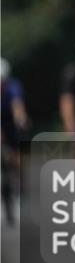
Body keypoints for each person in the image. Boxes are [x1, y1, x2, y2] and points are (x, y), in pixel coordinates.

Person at [1, 57, 29, 225]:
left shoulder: (13, 86)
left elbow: (17, 105)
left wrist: (21, 119)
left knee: (18, 157)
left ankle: (21, 187)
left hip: (9, 122)